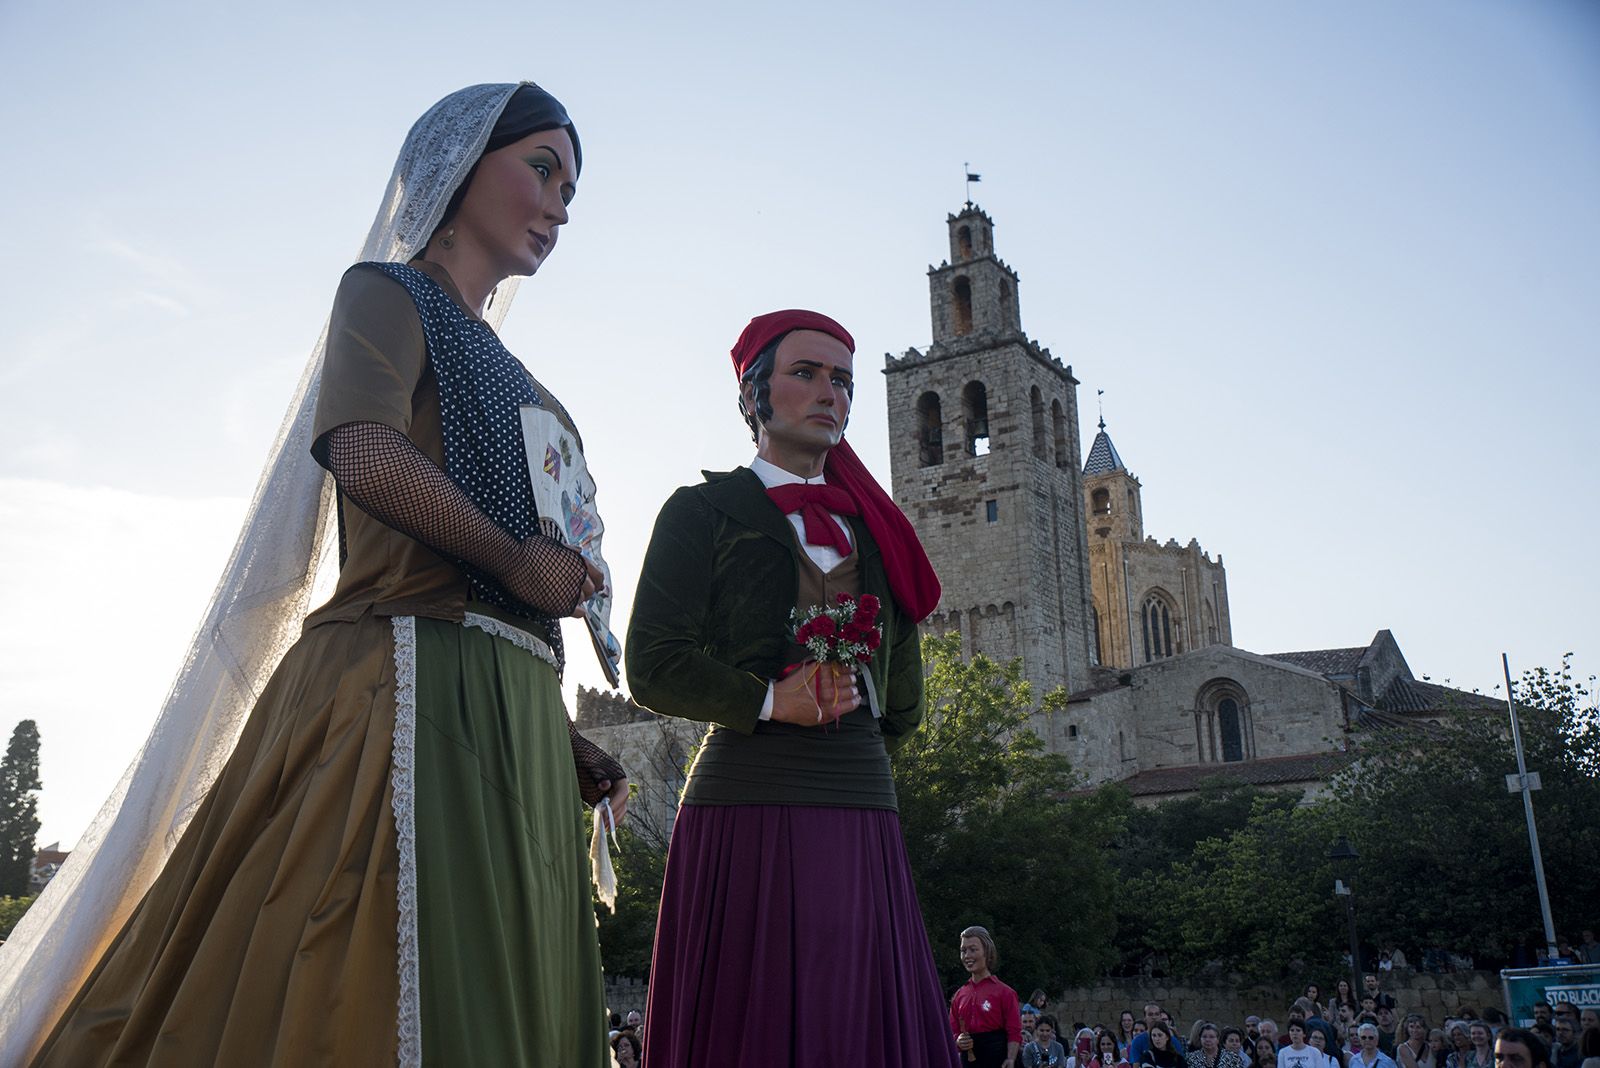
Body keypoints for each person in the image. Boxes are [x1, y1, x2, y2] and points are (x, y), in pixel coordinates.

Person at [4, 82, 624, 1068]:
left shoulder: (539, 393)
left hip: (510, 722)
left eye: (572, 190)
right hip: (404, 686)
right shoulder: (387, 291)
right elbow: (366, 453)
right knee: (360, 985)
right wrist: (519, 562)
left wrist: (557, 734)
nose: (558, 204)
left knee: (499, 1004)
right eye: (541, 168)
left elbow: (534, 592)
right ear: (457, 167)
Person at [627, 308, 950, 1065]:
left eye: (842, 379)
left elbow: (904, 698)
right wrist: (774, 700)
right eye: (805, 373)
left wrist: (859, 740)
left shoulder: (880, 531)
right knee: (752, 1014)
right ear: (753, 395)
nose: (829, 392)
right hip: (744, 792)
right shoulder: (700, 512)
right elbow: (652, 662)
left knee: (853, 1018)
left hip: (859, 797)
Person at [950, 927, 1023, 1067]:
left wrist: (1011, 1058)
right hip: (969, 1061)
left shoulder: (1005, 993)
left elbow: (1014, 1031)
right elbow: (952, 1031)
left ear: (987, 952)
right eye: (963, 951)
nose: (967, 956)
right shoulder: (959, 995)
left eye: (973, 949)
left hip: (998, 1059)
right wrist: (958, 1041)